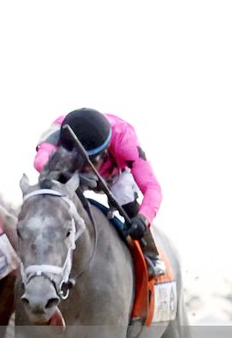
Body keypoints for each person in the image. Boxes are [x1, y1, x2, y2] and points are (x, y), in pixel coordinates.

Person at [33, 108, 165, 277]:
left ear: (107, 148)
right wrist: (61, 172)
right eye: (82, 160)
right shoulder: (58, 130)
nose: (87, 167)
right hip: (70, 170)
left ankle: (151, 256)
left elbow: (153, 188)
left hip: (115, 176)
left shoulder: (125, 140)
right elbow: (40, 162)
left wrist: (142, 219)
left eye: (91, 160)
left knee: (125, 197)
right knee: (51, 187)